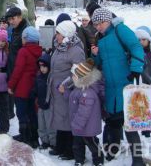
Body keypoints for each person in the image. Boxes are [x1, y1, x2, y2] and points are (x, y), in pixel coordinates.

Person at [90, 8, 144, 165]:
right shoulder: (100, 38)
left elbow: (136, 47)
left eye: (101, 23)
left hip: (126, 83)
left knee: (130, 124)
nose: (99, 27)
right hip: (111, 87)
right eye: (96, 24)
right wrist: (95, 54)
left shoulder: (120, 29)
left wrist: (135, 69)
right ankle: (112, 153)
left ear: (108, 20)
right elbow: (100, 63)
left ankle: (138, 160)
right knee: (113, 122)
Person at [48, 20, 85, 160]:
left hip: (66, 90)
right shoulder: (59, 46)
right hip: (56, 89)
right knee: (59, 117)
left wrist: (66, 84)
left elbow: (80, 71)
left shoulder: (75, 50)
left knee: (67, 118)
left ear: (66, 34)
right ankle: (60, 146)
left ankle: (69, 150)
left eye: (58, 33)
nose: (55, 35)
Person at [8, 26, 42, 148]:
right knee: (32, 113)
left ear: (26, 39)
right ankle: (34, 138)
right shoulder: (39, 51)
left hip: (22, 87)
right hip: (34, 87)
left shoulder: (23, 51)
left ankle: (24, 135)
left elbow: (18, 70)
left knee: (22, 113)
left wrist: (11, 85)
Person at [66, 59, 105, 166]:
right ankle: (79, 160)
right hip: (80, 125)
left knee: (91, 143)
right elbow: (71, 99)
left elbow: (84, 112)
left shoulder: (87, 93)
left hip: (87, 126)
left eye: (74, 75)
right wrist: (65, 91)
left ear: (81, 77)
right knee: (77, 144)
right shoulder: (78, 89)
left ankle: (98, 160)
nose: (72, 77)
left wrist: (77, 124)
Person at [6, 7, 29, 119]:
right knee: (19, 108)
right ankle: (23, 132)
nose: (11, 22)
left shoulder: (25, 31)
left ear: (20, 17)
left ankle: (27, 135)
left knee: (24, 108)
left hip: (22, 75)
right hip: (15, 73)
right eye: (9, 19)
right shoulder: (15, 30)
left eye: (13, 19)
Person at [32, 53, 55, 150]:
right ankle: (45, 141)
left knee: (50, 125)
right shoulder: (39, 77)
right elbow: (36, 89)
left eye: (45, 66)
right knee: (41, 125)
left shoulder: (51, 78)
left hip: (49, 105)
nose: (42, 69)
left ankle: (53, 142)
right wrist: (33, 94)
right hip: (41, 104)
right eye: (41, 66)